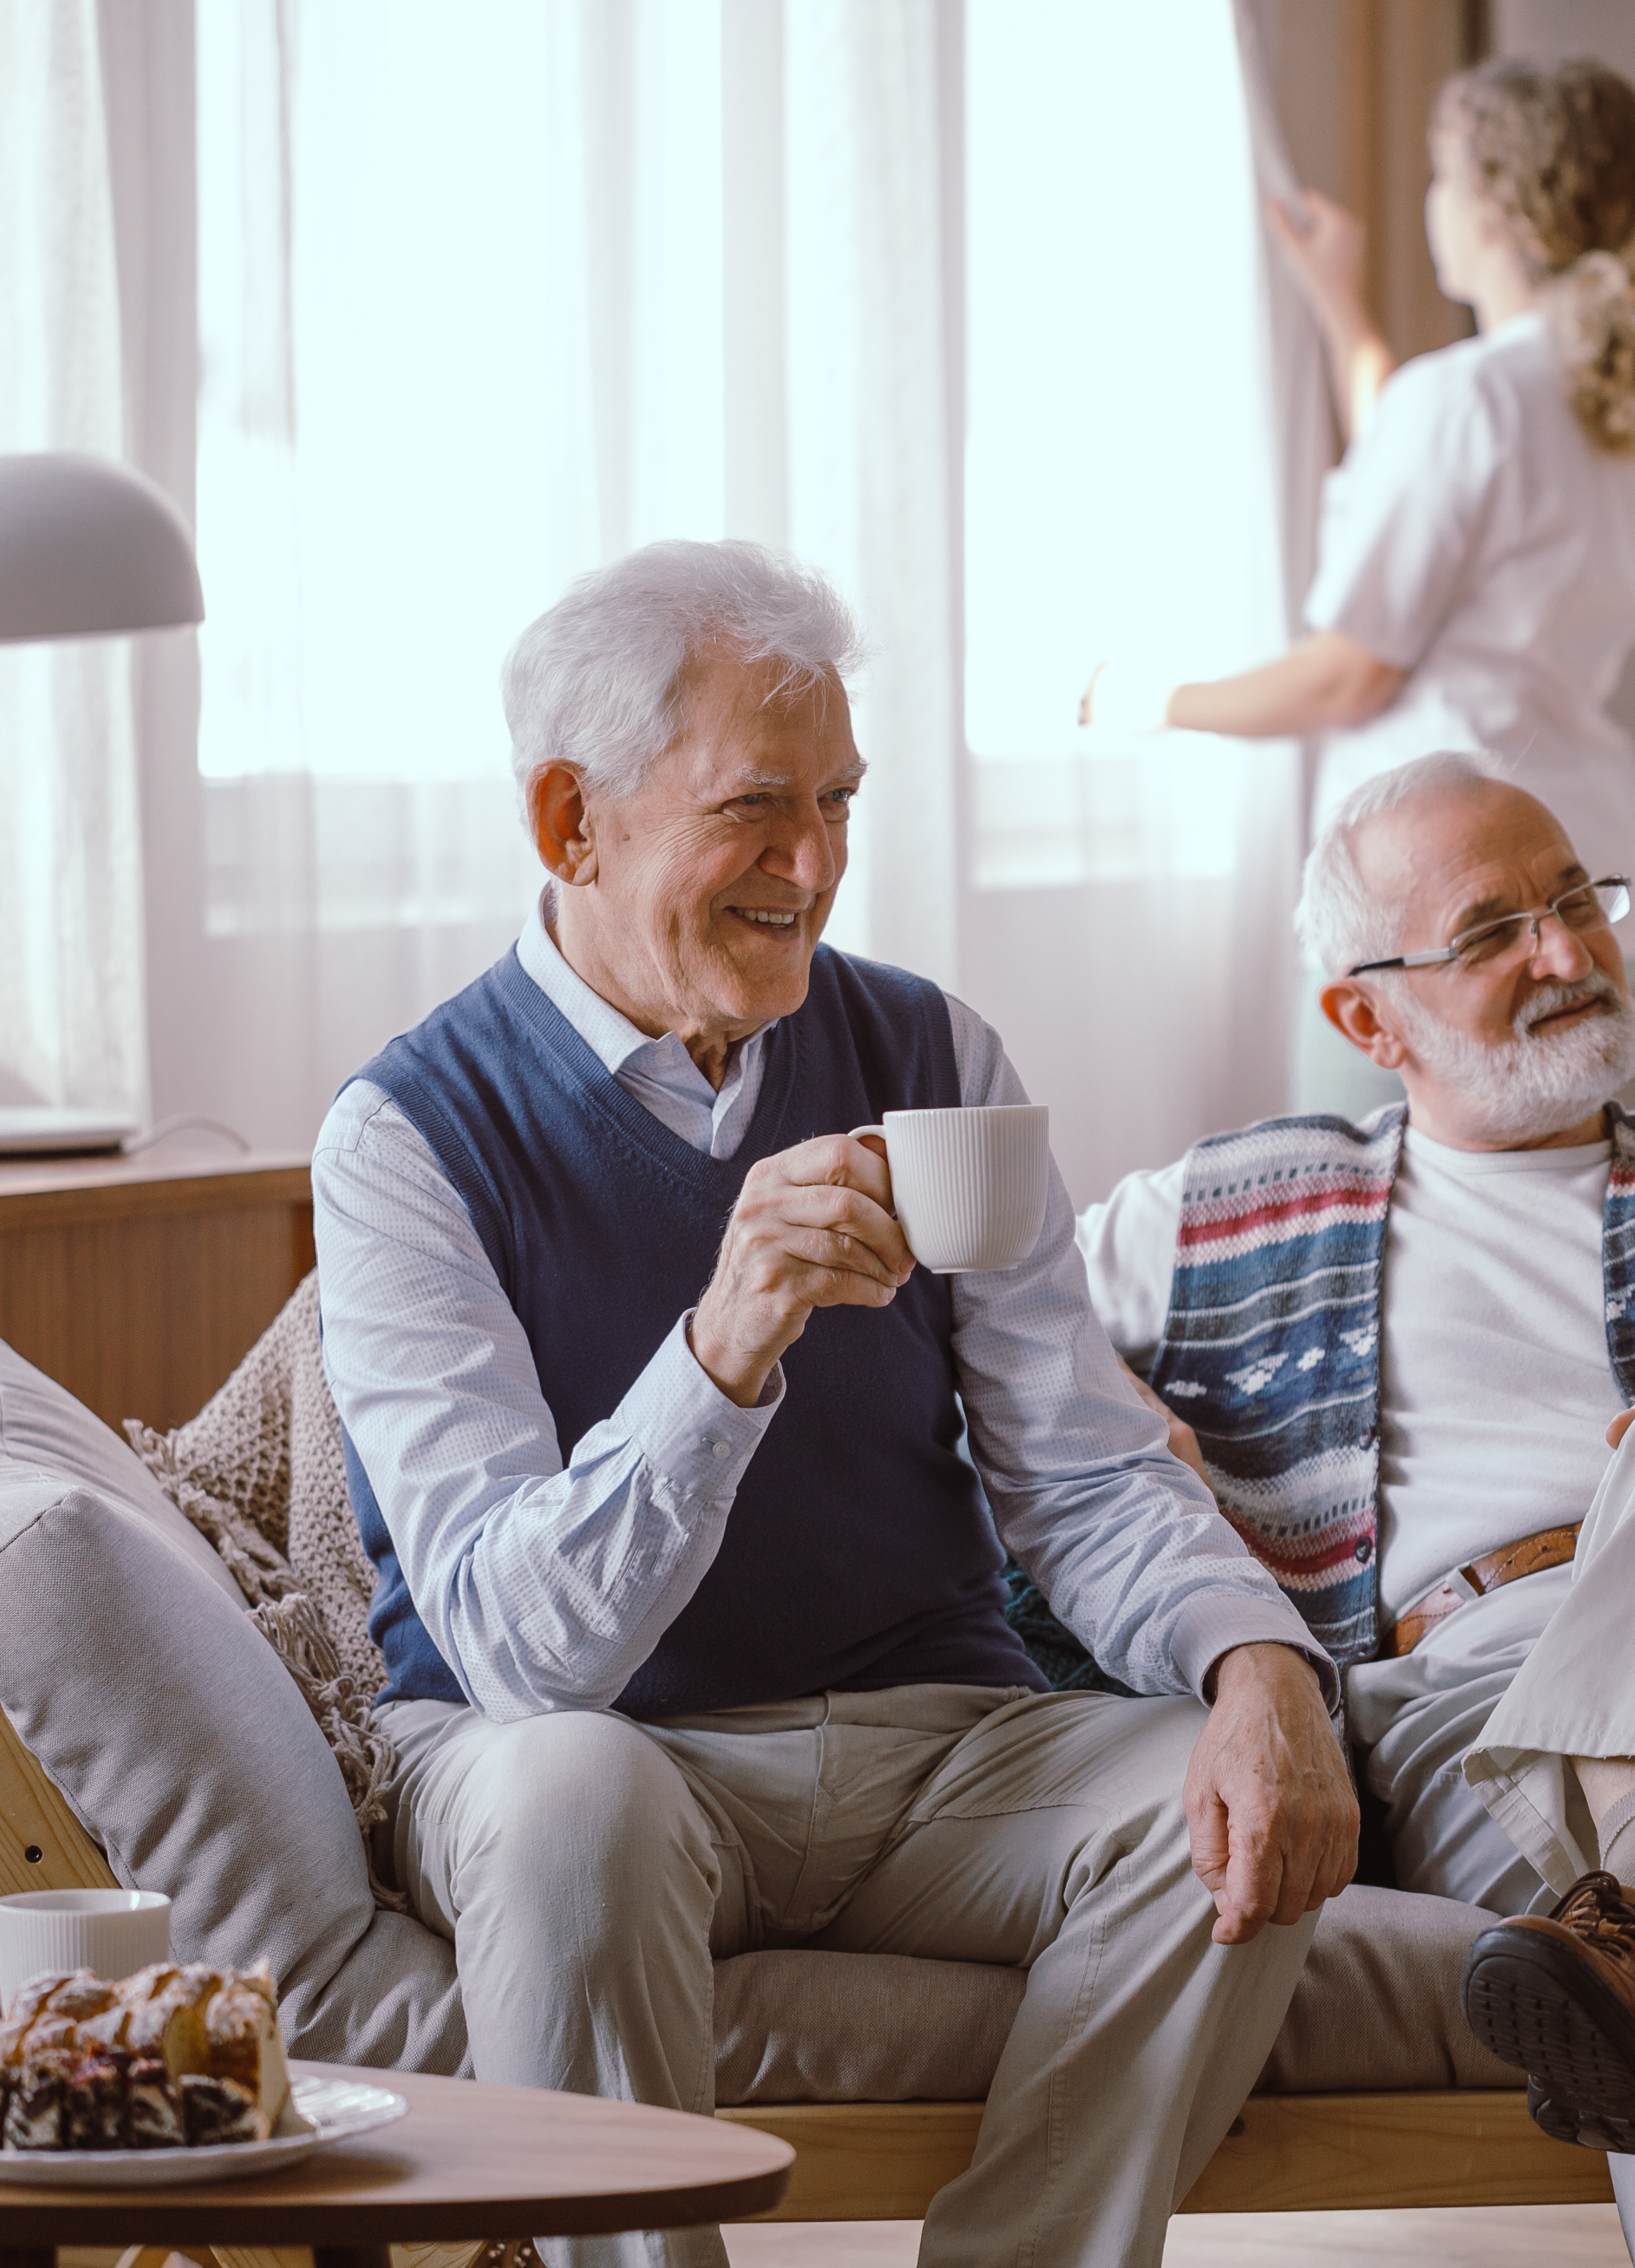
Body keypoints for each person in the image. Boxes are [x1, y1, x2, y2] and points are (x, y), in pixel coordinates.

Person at [314, 541, 1360, 2268]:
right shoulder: (407, 1139)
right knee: (570, 1797)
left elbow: (1084, 1472)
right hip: (587, 1749)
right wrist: (724, 1346)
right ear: (572, 822)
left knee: (1225, 1808)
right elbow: (517, 1652)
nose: (813, 869)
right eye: (756, 810)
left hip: (935, 1743)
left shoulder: (935, 1058)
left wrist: (1260, 1666)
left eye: (840, 804)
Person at [1071, 754, 1635, 2268]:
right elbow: (978, 1339)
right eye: (1495, 931)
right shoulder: (1216, 1212)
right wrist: (1111, 1419)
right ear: (1366, 1015)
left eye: (1577, 902)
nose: (1566, 953)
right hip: (1465, 1703)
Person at [1082, 56, 1635, 1107]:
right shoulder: (1617, 401)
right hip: (1584, 875)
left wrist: (1154, 704)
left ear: (1497, 205)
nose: (1434, 204)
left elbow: (1348, 676)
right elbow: (1417, 504)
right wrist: (1343, 313)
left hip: (1442, 906)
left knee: (1369, 1219)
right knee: (1569, 1219)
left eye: (1446, 177)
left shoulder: (1466, 399)